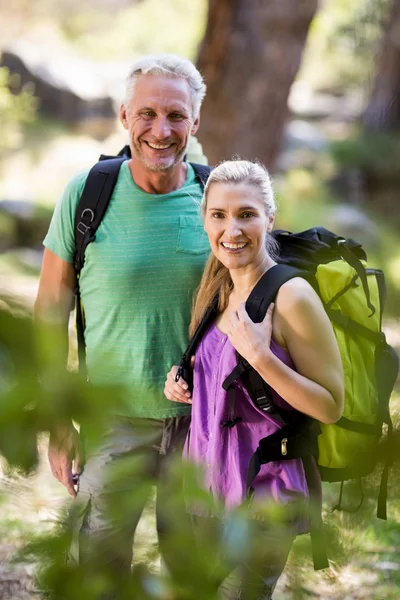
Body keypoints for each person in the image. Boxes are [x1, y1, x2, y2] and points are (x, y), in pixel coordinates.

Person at [34, 54, 210, 574]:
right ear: (124, 116)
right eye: (147, 114)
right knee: (99, 572)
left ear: (195, 123)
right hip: (110, 420)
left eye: (177, 116)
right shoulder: (87, 194)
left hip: (203, 425)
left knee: (195, 572)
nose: (161, 130)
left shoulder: (215, 197)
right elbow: (49, 309)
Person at [164, 159, 344, 599]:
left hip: (264, 489)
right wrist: (183, 382)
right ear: (204, 220)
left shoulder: (292, 295)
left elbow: (330, 406)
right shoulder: (219, 286)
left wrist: (263, 358)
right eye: (219, 216)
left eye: (246, 214)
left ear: (270, 216)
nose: (232, 230)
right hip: (205, 483)